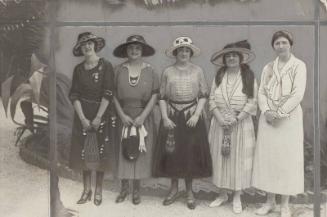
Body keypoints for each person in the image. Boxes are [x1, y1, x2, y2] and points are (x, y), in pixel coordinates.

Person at [153, 36, 212, 210]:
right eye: (181, 50)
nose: (184, 53)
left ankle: (189, 192)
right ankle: (173, 189)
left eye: (187, 50)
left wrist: (196, 114)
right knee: (172, 153)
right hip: (172, 116)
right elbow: (162, 97)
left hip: (191, 116)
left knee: (190, 154)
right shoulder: (168, 72)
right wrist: (165, 117)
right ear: (175, 53)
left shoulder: (198, 71)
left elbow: (203, 95)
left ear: (191, 53)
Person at [252, 30, 307, 217]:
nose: (281, 46)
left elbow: (298, 93)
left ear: (290, 44)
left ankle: (285, 204)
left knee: (287, 161)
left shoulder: (299, 66)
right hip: (268, 119)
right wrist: (267, 111)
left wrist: (280, 113)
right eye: (277, 43)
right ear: (273, 46)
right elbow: (261, 92)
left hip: (288, 120)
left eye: (284, 42)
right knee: (269, 160)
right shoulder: (268, 67)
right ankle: (269, 202)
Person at [207, 40, 258, 214]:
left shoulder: (248, 76)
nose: (231, 58)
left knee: (238, 159)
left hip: (240, 123)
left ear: (241, 58)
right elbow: (211, 98)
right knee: (220, 158)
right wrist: (220, 118)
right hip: (220, 122)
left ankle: (237, 196)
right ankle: (222, 194)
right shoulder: (219, 76)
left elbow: (252, 102)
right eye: (228, 56)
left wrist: (237, 118)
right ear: (224, 59)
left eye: (234, 55)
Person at [69, 32, 115, 206]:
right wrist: (82, 118)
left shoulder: (106, 66)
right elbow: (74, 95)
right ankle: (86, 189)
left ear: (95, 45)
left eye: (89, 43)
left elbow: (108, 93)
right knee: (84, 153)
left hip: (101, 113)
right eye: (83, 44)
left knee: (100, 152)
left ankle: (98, 190)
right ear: (80, 49)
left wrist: (98, 117)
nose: (87, 47)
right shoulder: (78, 70)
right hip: (82, 114)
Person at [113, 35, 158, 205]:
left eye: (138, 48)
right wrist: (122, 116)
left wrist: (143, 117)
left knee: (140, 151)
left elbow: (154, 95)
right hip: (123, 116)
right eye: (131, 48)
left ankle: (137, 190)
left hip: (142, 117)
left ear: (142, 51)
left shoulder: (150, 71)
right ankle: (124, 189)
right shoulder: (118, 70)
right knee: (123, 150)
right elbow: (113, 96)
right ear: (126, 51)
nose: (134, 51)